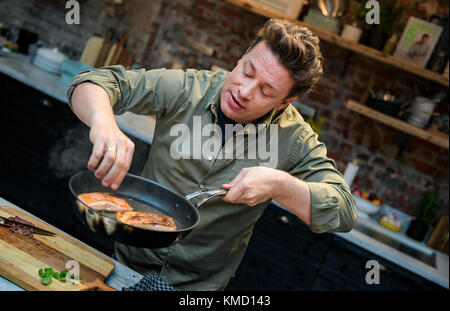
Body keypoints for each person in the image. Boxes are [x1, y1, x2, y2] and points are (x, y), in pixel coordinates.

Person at [67, 19, 357, 290]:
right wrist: (103, 122)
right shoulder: (188, 89)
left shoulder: (295, 139)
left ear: (285, 102)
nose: (244, 91)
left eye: (266, 91)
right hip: (123, 267)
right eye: (248, 71)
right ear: (242, 56)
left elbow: (343, 210)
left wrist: (280, 185)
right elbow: (94, 82)